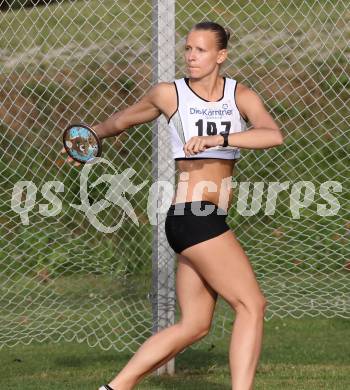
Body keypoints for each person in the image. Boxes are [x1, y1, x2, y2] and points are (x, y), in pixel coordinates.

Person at [63, 21, 283, 390]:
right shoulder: (169, 94)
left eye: (200, 50)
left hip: (202, 219)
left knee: (195, 324)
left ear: (221, 56)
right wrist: (89, 138)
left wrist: (220, 137)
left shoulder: (239, 95)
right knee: (252, 305)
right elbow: (121, 120)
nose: (192, 56)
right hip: (193, 216)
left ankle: (115, 387)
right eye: (188, 49)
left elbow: (272, 134)